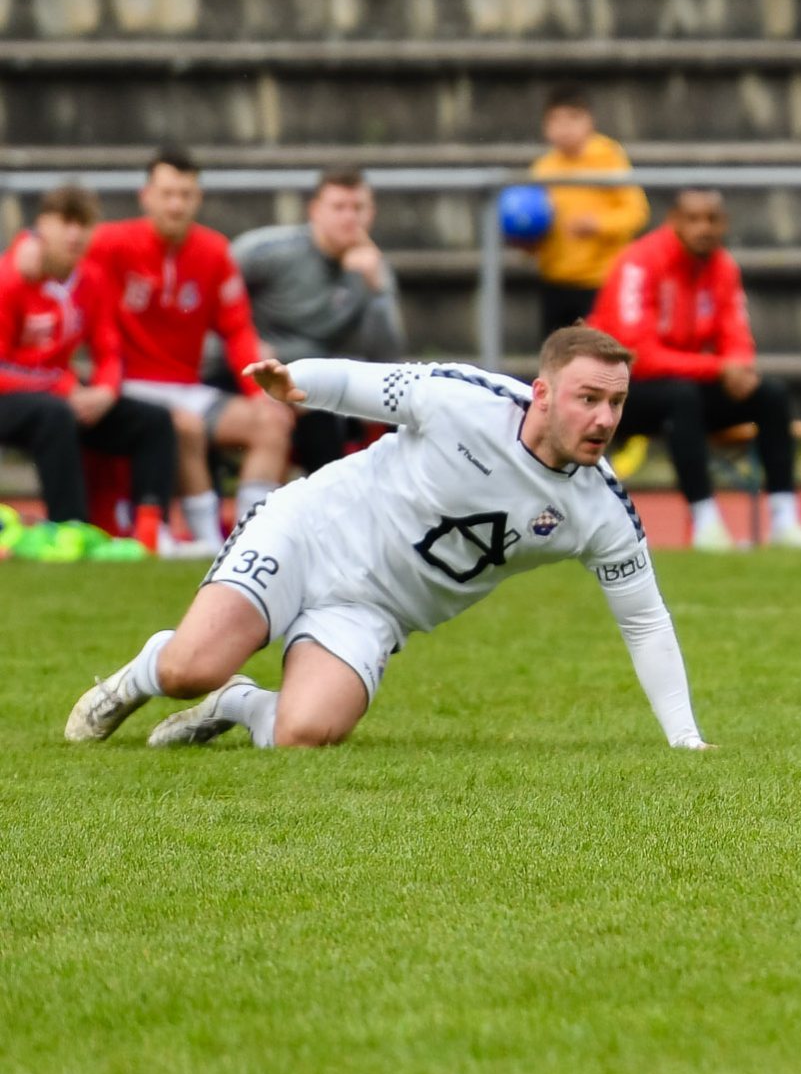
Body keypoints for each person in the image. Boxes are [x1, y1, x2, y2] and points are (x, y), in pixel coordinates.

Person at [64, 326, 711, 752]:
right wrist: (296, 382)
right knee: (188, 671)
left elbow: (645, 621)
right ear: (542, 393)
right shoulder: (466, 400)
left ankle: (235, 702)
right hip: (308, 534)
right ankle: (143, 673)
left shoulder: (602, 511)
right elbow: (361, 383)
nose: (604, 419)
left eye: (616, 403)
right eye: (588, 399)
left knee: (302, 734)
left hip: (373, 612)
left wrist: (684, 739)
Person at [590, 189, 801, 553]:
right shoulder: (639, 263)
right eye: (694, 219)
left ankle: (785, 520)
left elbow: (736, 332)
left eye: (712, 219)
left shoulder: (723, 267)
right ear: (674, 222)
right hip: (620, 392)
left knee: (771, 395)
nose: (704, 228)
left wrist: (740, 369)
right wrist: (720, 368)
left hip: (684, 384)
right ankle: (706, 522)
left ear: (724, 224)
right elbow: (638, 355)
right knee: (682, 397)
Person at [85, 146, 293, 549]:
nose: (176, 204)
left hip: (186, 385)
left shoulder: (214, 251)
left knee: (272, 421)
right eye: (167, 194)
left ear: (198, 198)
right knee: (184, 426)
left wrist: (259, 391)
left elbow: (237, 330)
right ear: (146, 196)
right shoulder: (110, 244)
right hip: (128, 384)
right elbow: (62, 263)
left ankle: (250, 539)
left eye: (185, 194)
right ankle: (206, 540)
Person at [0, 185, 181, 554]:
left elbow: (109, 349)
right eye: (65, 223)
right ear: (41, 226)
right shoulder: (11, 277)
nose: (74, 234)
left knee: (154, 421)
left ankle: (152, 528)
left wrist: (105, 392)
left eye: (82, 224)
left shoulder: (91, 279)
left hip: (60, 392)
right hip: (14, 396)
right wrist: (61, 386)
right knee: (55, 415)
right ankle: (71, 530)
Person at [235, 164, 406, 476]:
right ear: (315, 211)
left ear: (371, 213)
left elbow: (387, 355)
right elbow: (215, 291)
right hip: (257, 370)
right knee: (316, 408)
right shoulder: (269, 253)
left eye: (358, 208)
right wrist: (249, 344)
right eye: (339, 207)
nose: (349, 217)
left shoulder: (372, 267)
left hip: (322, 375)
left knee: (400, 407)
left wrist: (377, 292)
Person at [526, 88, 650, 338]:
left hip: (601, 279)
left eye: (573, 118)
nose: (564, 128)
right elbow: (533, 226)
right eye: (555, 120)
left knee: (599, 349)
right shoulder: (542, 169)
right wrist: (527, 236)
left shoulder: (608, 157)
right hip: (555, 278)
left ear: (589, 121)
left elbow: (636, 212)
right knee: (555, 349)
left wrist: (598, 224)